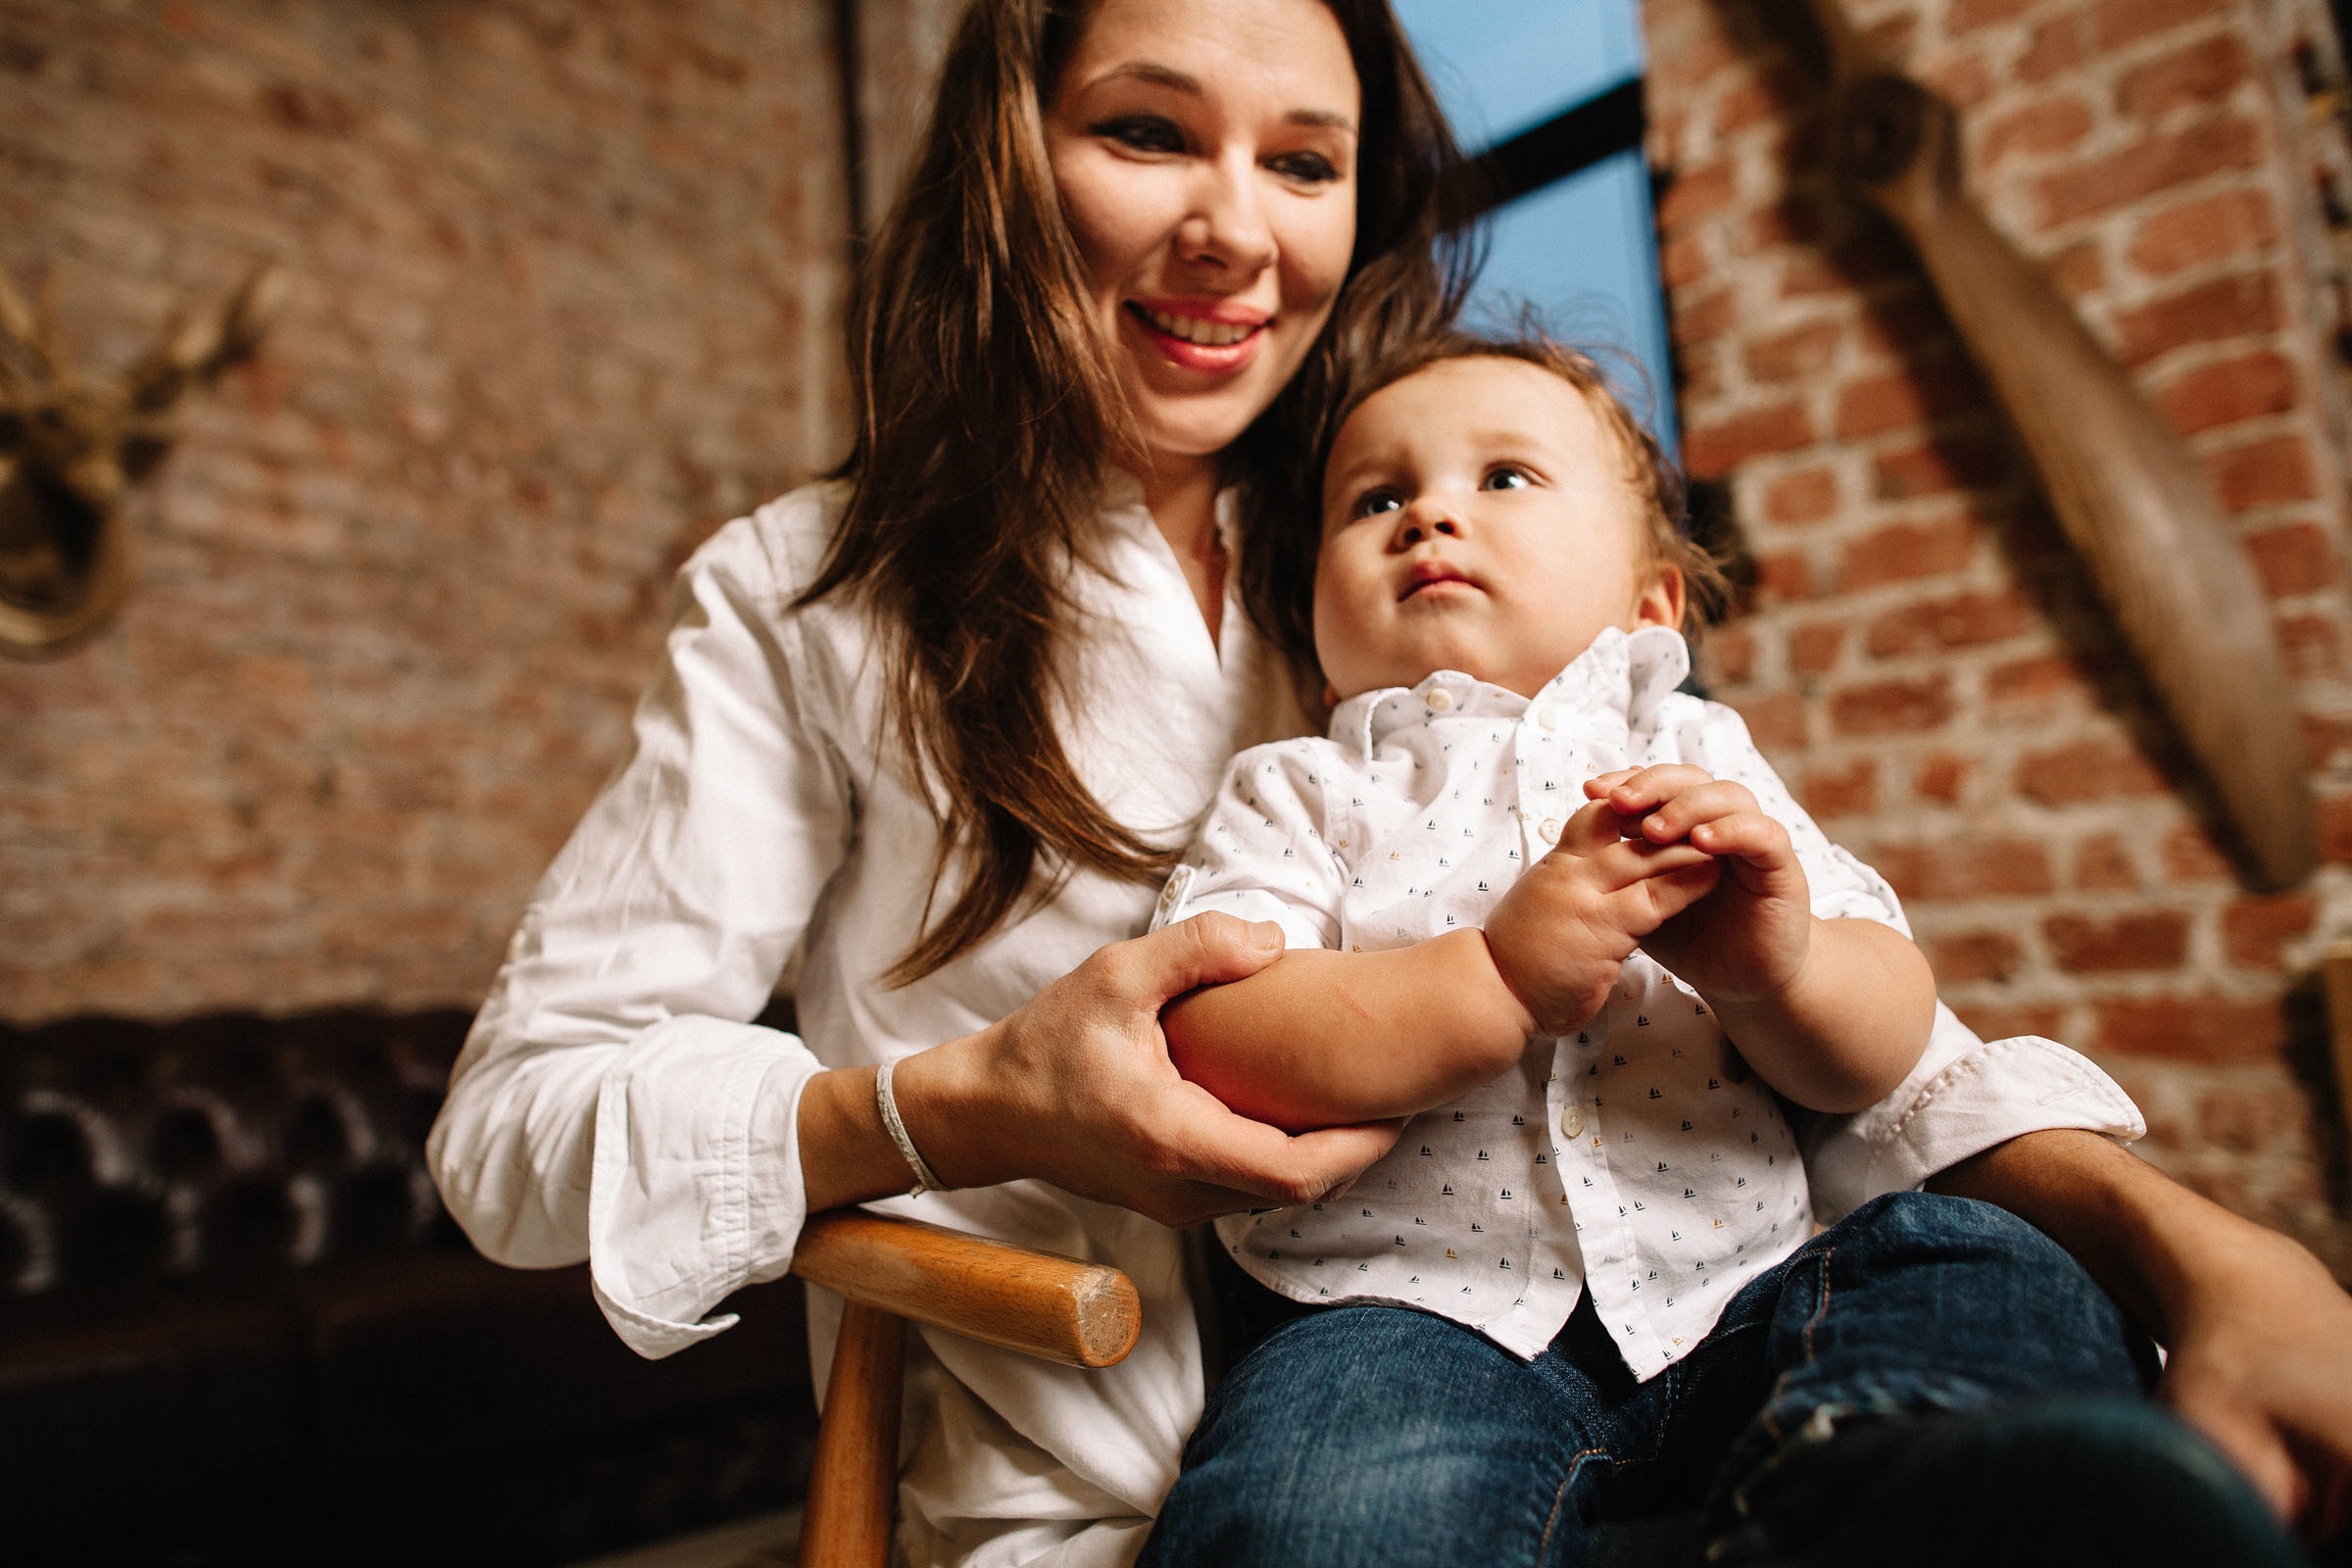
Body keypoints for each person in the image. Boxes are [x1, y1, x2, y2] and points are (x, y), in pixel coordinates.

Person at [424, 2, 2352, 1564]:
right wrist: (959, 1104)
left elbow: (1816, 1034)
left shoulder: (1429, 552)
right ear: (1007, 152)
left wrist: (2208, 1251)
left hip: (1731, 1393)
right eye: (1148, 132)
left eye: (1305, 161)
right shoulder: (817, 598)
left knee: (1994, 1313)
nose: (1235, 233)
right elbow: (513, 1131)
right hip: (1184, 1470)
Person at [1135, 331, 2305, 1565]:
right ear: (1316, 639)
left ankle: (1906, 1485)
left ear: (1651, 604)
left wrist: (1782, 970)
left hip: (1746, 1297)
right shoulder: (1302, 788)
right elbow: (1211, 1042)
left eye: (1505, 477)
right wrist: (1492, 979)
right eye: (1375, 498)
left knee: (1983, 1263)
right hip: (1402, 1316)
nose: (1428, 513)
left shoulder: (1703, 757)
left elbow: (1888, 1040)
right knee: (1318, 1506)